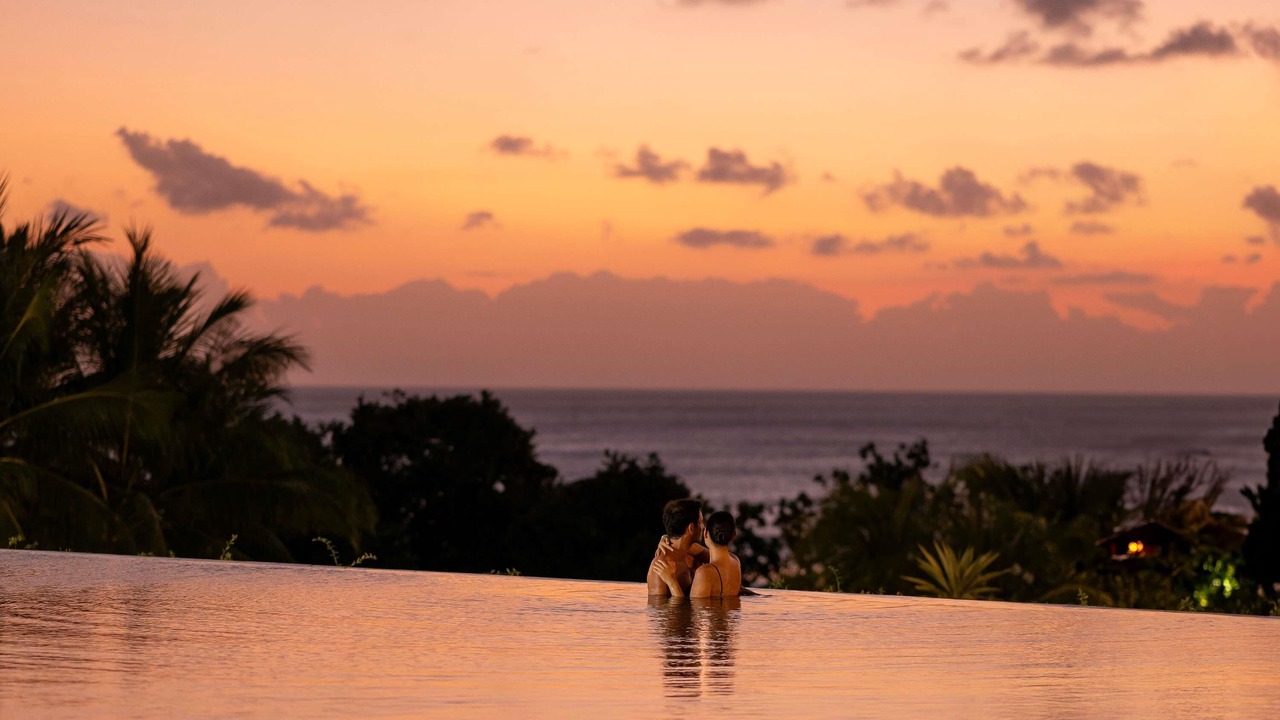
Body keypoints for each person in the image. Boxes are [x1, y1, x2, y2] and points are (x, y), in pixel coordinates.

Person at [648, 499, 707, 597]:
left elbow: (723, 559)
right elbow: (660, 611)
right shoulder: (660, 567)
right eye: (700, 522)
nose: (703, 526)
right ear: (691, 528)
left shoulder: (693, 554)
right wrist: (672, 583)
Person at [689, 511, 741, 598]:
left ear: (705, 533)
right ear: (734, 535)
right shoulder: (736, 561)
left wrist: (671, 582)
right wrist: (666, 538)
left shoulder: (705, 572)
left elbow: (692, 610)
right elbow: (694, 549)